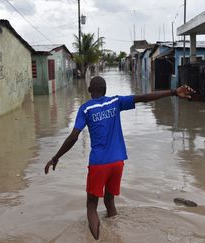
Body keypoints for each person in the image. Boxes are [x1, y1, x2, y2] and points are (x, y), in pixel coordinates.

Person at [44, 76, 195, 240]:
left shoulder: (85, 109)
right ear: (105, 90)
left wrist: (56, 157)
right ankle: (115, 235)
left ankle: (97, 239)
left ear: (89, 91)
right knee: (109, 201)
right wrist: (173, 92)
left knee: (91, 207)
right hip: (117, 162)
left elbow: (73, 137)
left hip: (98, 164)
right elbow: (143, 97)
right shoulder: (115, 102)